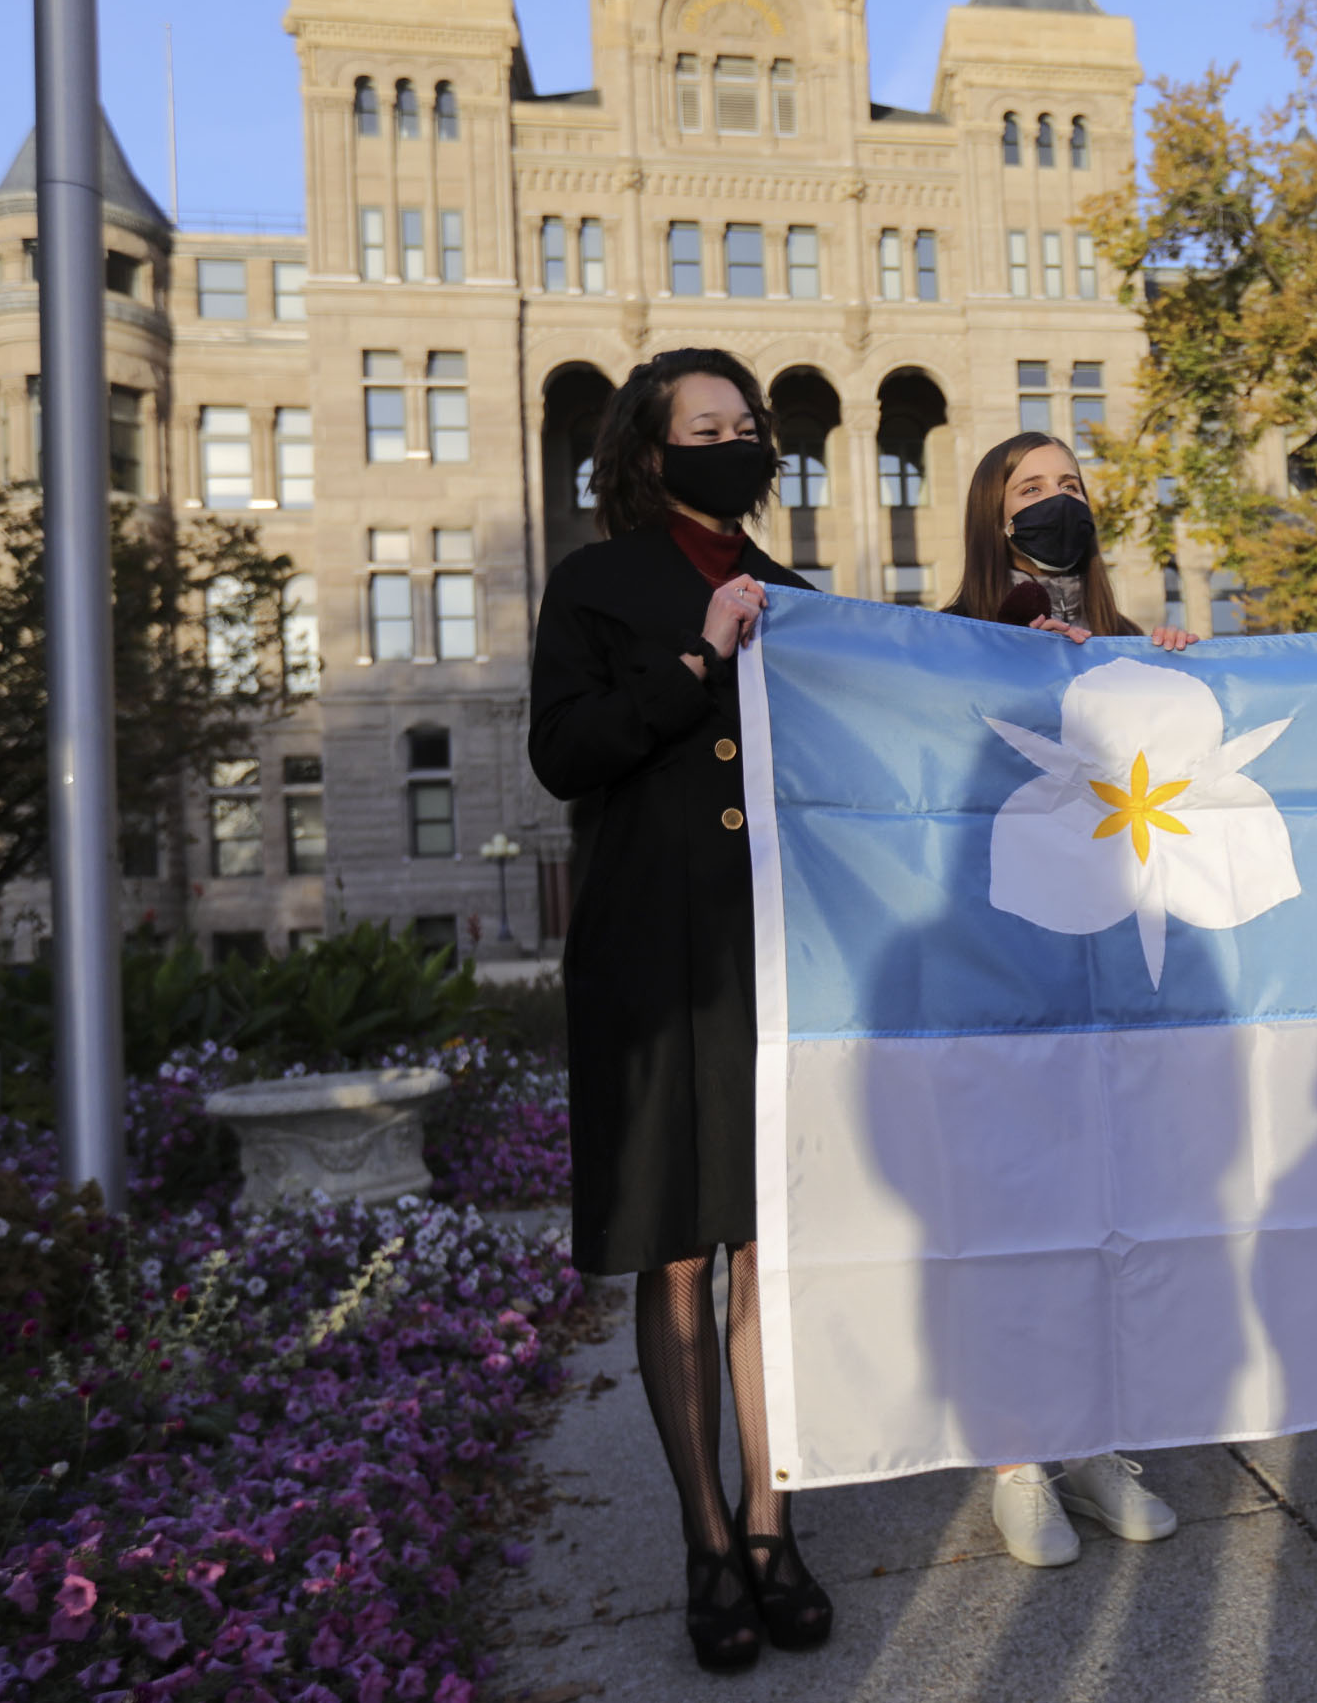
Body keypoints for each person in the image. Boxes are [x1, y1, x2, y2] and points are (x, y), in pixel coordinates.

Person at [527, 348, 834, 1672]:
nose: (740, 438)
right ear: (650, 453)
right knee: (680, 1257)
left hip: (776, 961)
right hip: (653, 966)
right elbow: (564, 754)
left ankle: (773, 1523)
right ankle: (705, 1539)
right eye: (709, 425)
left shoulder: (811, 601)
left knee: (770, 1251)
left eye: (749, 422)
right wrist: (697, 664)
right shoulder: (596, 585)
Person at [939, 430, 1197, 1567]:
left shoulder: (1132, 645)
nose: (1055, 503)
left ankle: (1094, 1436)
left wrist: (1186, 679)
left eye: (1070, 487)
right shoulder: (950, 643)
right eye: (1030, 489)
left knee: (1113, 1211)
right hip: (1007, 978)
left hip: (1119, 979)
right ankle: (1015, 1455)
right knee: (1017, 1209)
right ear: (993, 515)